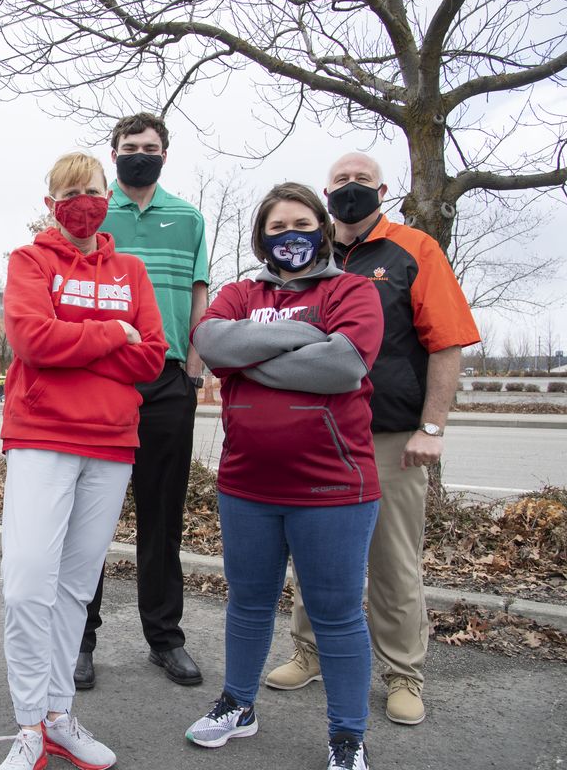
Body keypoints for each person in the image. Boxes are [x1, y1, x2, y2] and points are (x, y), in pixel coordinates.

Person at [265, 153, 480, 726]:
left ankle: (403, 673)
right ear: (325, 190)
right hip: (319, 433)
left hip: (390, 436)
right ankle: (309, 651)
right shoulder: (308, 254)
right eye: (341, 181)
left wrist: (432, 427)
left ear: (383, 189)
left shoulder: (414, 251)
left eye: (363, 181)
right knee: (317, 554)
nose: (351, 189)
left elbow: (448, 342)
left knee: (392, 561)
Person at [188, 182, 383, 770]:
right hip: (246, 484)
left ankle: (347, 736)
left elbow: (342, 364)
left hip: (332, 488)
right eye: (276, 228)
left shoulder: (351, 290)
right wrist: (301, 339)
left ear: (321, 227)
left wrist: (251, 356)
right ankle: (238, 705)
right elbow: (209, 341)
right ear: (260, 238)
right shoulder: (238, 291)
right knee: (248, 604)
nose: (288, 235)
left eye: (300, 222)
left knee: (336, 614)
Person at [0, 152, 167, 770]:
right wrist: (109, 335)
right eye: (68, 193)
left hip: (111, 443)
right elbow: (31, 339)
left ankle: (58, 715)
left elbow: (152, 357)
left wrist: (82, 342)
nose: (81, 201)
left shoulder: (132, 270)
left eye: (91, 191)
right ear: (50, 203)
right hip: (42, 436)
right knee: (25, 585)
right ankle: (27, 726)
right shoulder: (29, 261)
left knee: (73, 590)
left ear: (107, 197)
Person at [77, 112, 210, 690]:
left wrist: (196, 370)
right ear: (114, 153)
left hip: (167, 381)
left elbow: (200, 292)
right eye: (130, 146)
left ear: (165, 154)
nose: (140, 154)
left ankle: (165, 639)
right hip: (103, 381)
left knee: (163, 518)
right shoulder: (92, 214)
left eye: (150, 147)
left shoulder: (188, 218)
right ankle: (79, 641)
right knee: (89, 521)